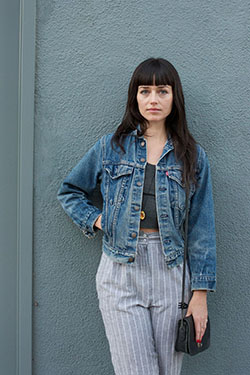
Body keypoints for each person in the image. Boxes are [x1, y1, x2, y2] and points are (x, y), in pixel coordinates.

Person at [57, 57, 216, 375]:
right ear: (135, 97)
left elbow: (202, 228)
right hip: (120, 273)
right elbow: (70, 191)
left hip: (171, 272)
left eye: (162, 91)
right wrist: (99, 220)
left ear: (175, 98)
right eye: (145, 91)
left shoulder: (193, 157)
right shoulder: (110, 148)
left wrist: (200, 295)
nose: (153, 100)